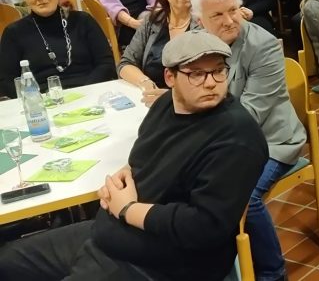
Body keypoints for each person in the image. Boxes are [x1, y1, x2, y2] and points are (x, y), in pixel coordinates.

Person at [0, 30, 269, 281]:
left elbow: (204, 227)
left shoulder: (237, 136)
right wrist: (123, 175)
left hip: (160, 263)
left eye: (218, 71)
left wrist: (127, 209)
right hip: (109, 234)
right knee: (6, 260)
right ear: (170, 77)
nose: (211, 83)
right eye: (196, 74)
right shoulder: (165, 105)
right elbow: (143, 157)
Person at [191, 0, 308, 280]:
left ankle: (273, 273)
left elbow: (249, 116)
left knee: (243, 196)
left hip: (271, 141)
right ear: (200, 21)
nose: (230, 20)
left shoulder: (263, 45)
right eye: (217, 15)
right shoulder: (194, 43)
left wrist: (199, 138)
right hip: (219, 139)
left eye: (233, 10)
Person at [0, 0, 116, 98]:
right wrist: (36, 99)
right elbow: (6, 80)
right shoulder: (14, 32)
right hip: (42, 99)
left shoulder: (83, 20)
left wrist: (86, 93)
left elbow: (105, 63)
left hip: (91, 92)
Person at [118, 0, 200, 94]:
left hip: (190, 98)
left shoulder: (204, 23)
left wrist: (169, 97)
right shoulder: (152, 21)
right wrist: (145, 82)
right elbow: (126, 63)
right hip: (151, 95)